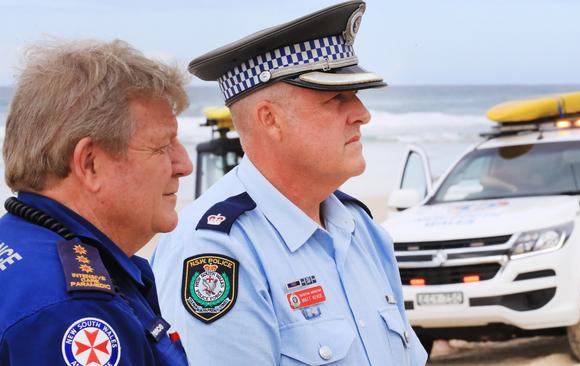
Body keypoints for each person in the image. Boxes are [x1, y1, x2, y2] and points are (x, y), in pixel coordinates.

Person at [151, 1, 428, 365]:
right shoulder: (215, 252)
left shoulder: (362, 229)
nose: (362, 114)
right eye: (337, 98)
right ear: (271, 119)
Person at [0, 39, 193, 365]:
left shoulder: (20, 241)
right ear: (89, 164)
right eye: (161, 147)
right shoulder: (71, 311)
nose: (184, 165)